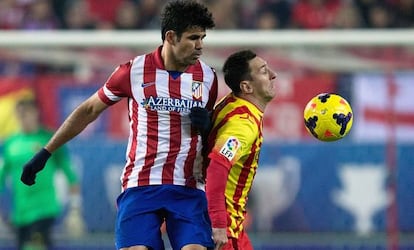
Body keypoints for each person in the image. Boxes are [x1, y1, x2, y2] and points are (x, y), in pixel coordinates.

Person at [20, 1, 217, 249]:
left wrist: (208, 126)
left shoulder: (207, 77)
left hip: (187, 187)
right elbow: (89, 109)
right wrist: (46, 152)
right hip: (141, 185)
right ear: (171, 36)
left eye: (203, 38)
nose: (200, 46)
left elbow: (211, 136)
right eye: (193, 38)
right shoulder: (133, 71)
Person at [205, 50, 277, 250]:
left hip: (231, 227)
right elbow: (216, 168)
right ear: (246, 86)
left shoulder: (231, 102)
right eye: (263, 71)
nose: (273, 75)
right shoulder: (243, 125)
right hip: (224, 231)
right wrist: (219, 223)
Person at [0, 98, 83, 250]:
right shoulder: (11, 143)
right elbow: (1, 178)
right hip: (20, 213)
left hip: (44, 208)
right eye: (19, 115)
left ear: (36, 113)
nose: (22, 119)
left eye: (26, 114)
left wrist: (75, 210)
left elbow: (70, 175)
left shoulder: (49, 140)